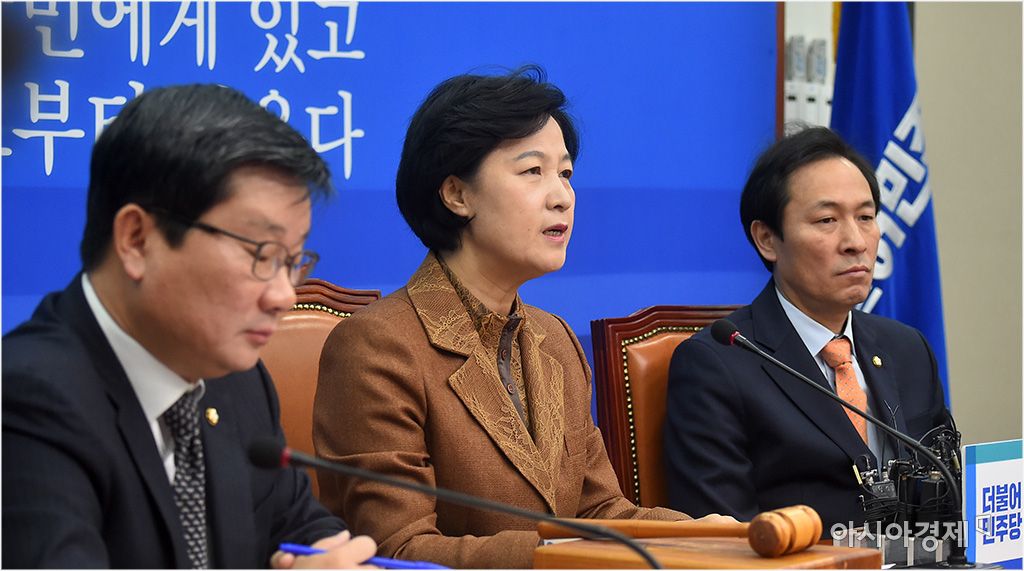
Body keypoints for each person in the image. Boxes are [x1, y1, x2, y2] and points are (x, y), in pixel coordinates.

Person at [313, 67, 723, 569]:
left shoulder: (555, 338)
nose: (562, 196)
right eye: (533, 172)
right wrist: (565, 556)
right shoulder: (377, 346)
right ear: (457, 195)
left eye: (565, 174)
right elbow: (397, 551)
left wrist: (706, 536)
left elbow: (598, 511)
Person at [2, 84, 377, 569]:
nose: (284, 295)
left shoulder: (237, 378)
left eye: (292, 261)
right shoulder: (28, 402)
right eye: (261, 254)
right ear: (138, 239)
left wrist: (331, 555)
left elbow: (297, 522)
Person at [662, 126, 951, 534]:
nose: (856, 242)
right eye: (827, 220)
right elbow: (725, 536)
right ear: (767, 239)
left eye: (866, 217)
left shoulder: (908, 348)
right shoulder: (717, 365)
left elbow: (945, 493)